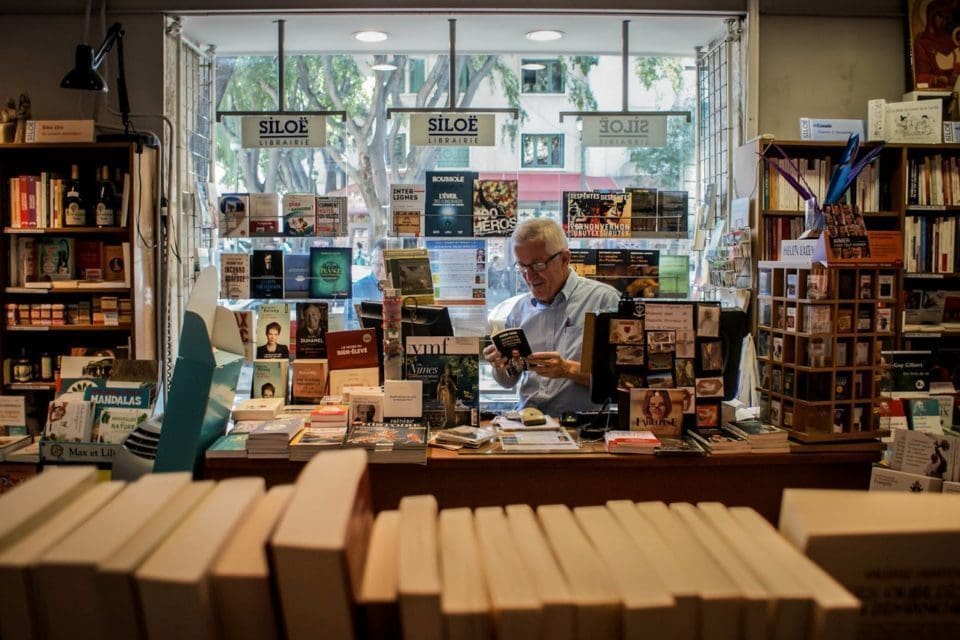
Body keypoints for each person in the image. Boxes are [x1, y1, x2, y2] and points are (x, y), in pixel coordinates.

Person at [483, 218, 621, 416]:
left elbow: (623, 381)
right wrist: (499, 366)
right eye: (522, 267)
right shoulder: (519, 309)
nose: (529, 277)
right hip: (526, 421)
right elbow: (508, 382)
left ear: (564, 259)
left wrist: (567, 369)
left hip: (581, 425)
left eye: (538, 266)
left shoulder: (604, 300)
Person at [348, 239, 386, 328]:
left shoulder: (404, 286)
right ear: (371, 263)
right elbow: (350, 325)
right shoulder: (356, 289)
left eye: (384, 264)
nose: (382, 270)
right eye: (376, 264)